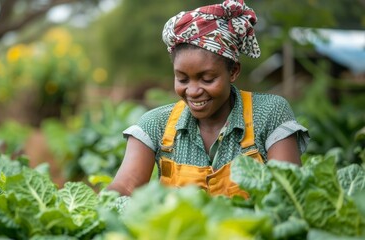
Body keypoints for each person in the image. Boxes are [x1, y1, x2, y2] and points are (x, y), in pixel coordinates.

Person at [107, 0, 309, 198]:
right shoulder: (156, 125)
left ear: (233, 71)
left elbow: (288, 193)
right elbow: (125, 187)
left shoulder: (269, 114)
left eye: (207, 79)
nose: (193, 91)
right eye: (182, 79)